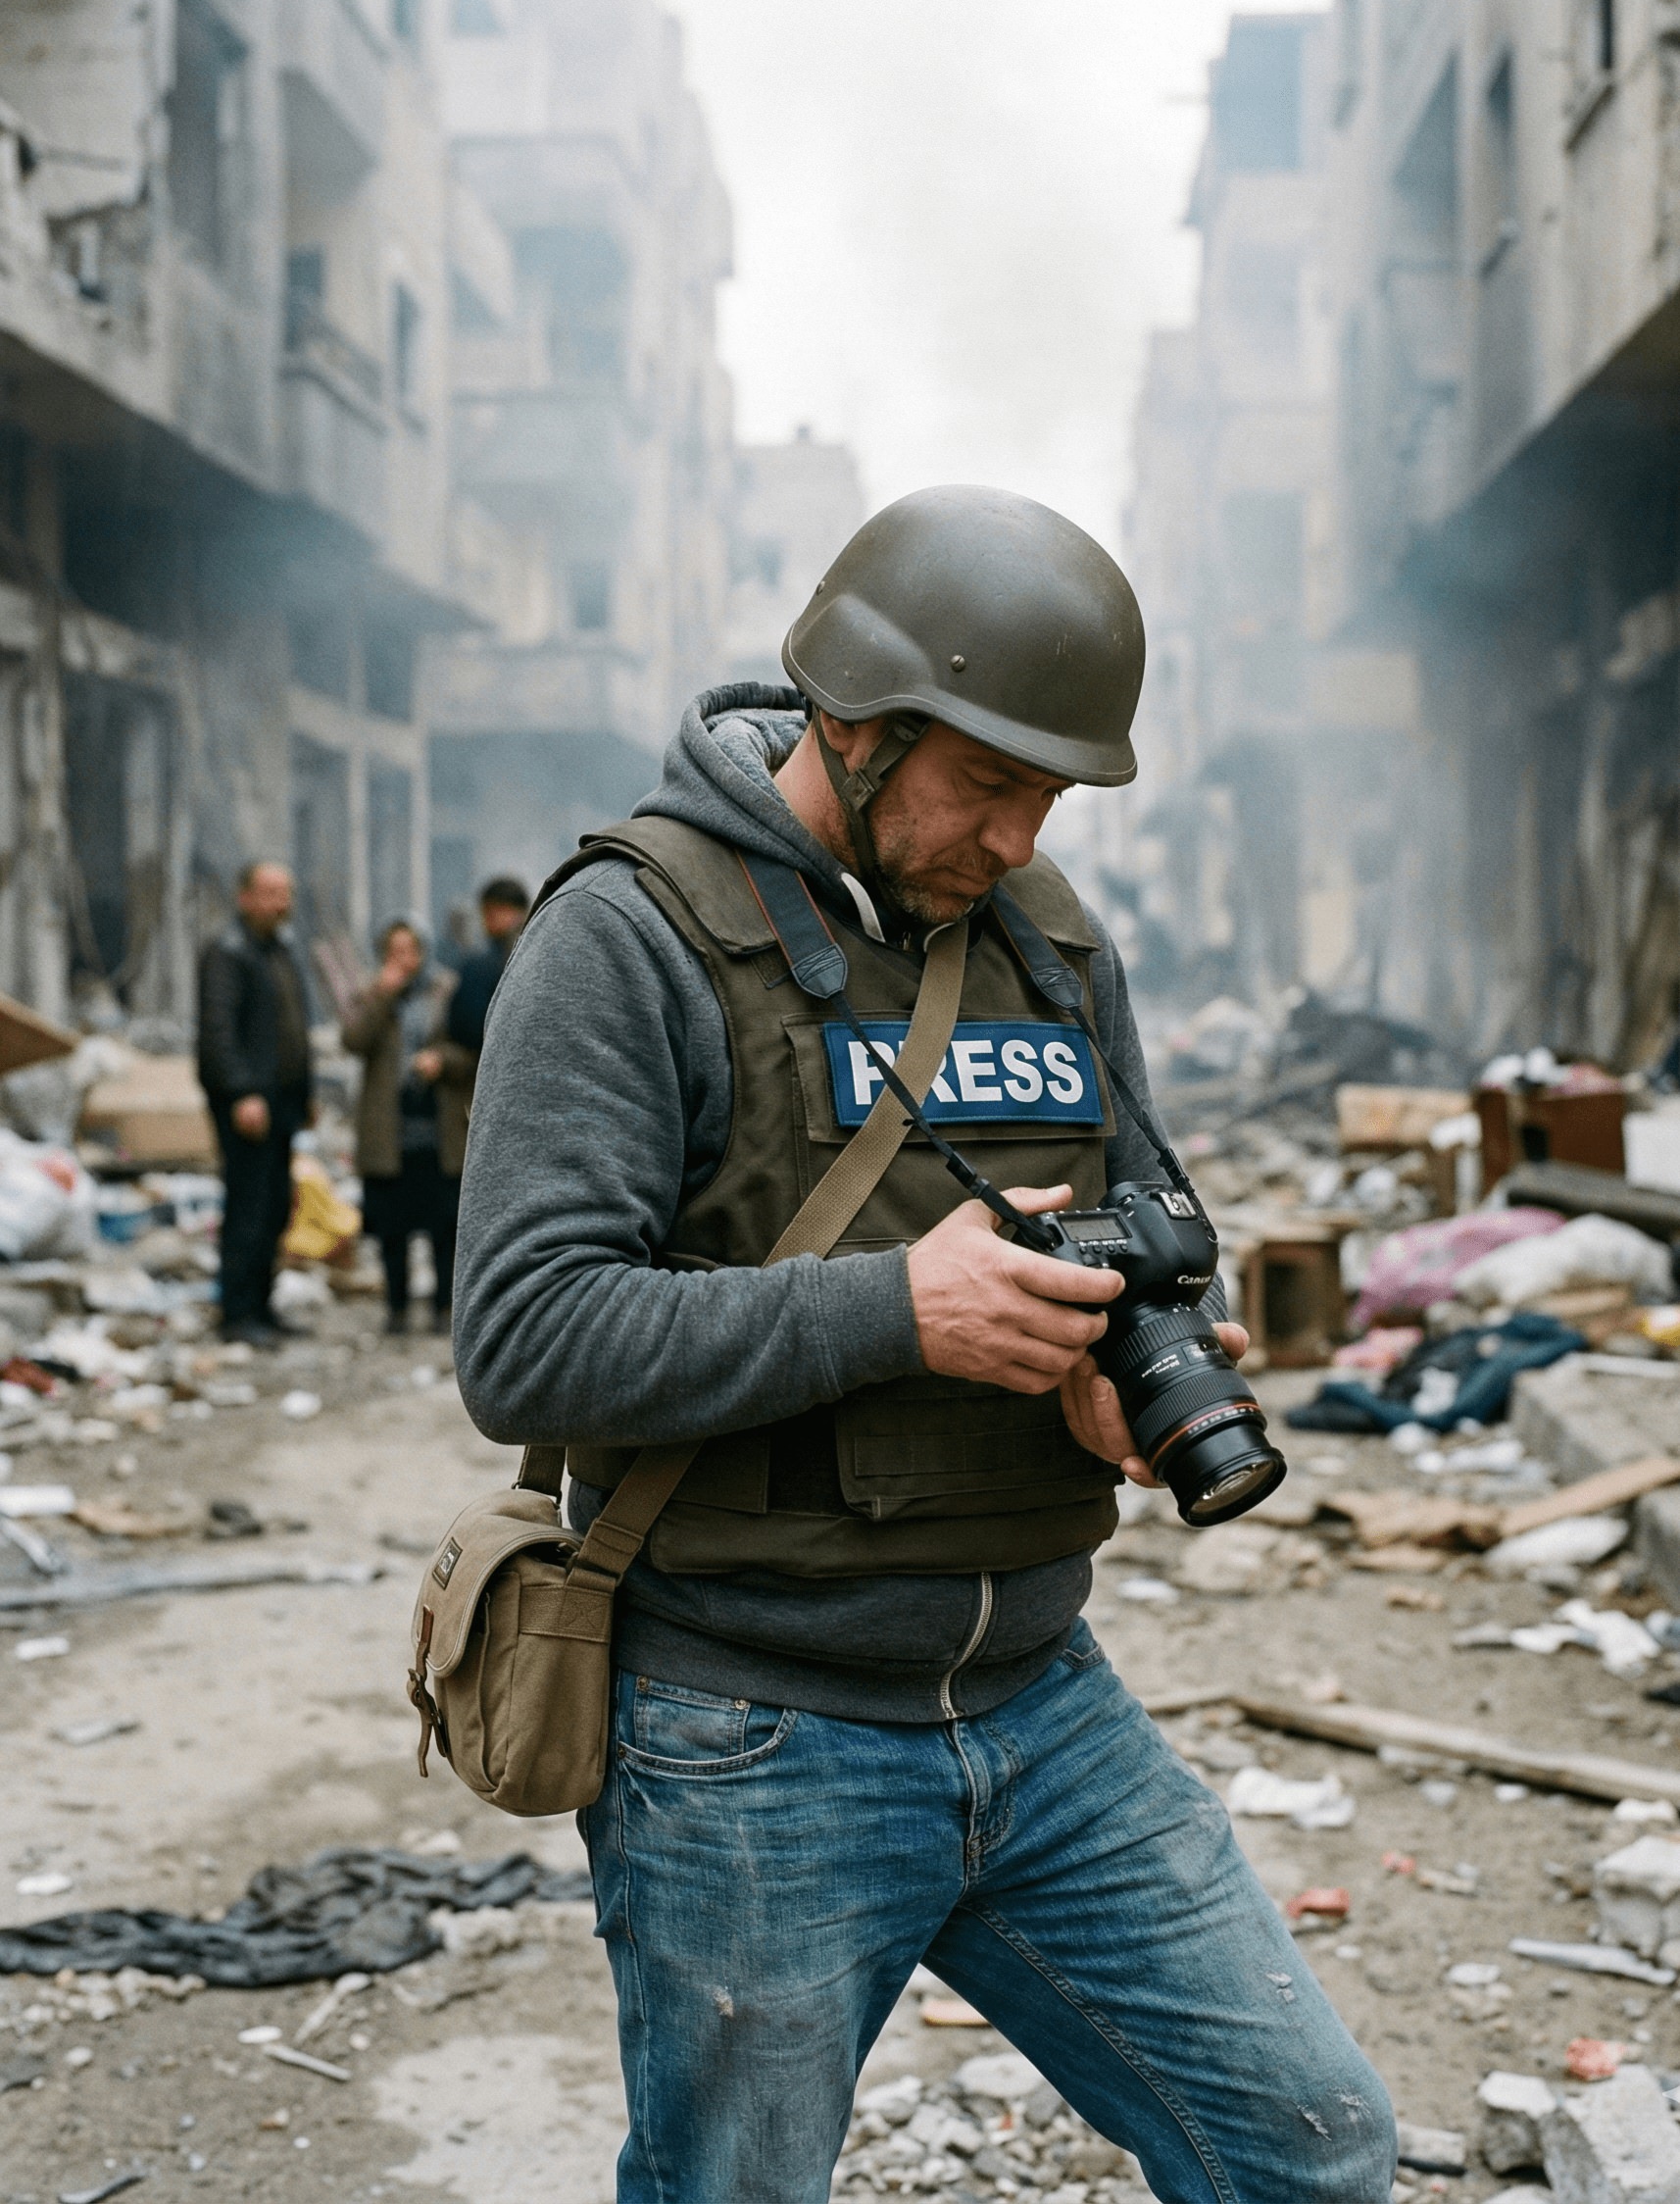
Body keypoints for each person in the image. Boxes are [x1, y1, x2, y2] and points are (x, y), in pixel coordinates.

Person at [455, 487, 1397, 2203]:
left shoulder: (1048, 940)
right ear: (860, 727)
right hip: (749, 1728)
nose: (1024, 832)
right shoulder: (624, 936)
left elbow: (1139, 1215)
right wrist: (902, 1308)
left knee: (1309, 2145)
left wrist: (1120, 1370)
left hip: (1042, 1706)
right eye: (991, 783)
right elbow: (523, 1336)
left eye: (1053, 792)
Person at [197, 861, 314, 1348]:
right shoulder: (227, 952)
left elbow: (292, 1029)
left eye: (284, 892)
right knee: (247, 1205)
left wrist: (304, 1093)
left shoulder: (281, 950)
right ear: (244, 897)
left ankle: (262, 1307)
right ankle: (237, 1314)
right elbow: (219, 1033)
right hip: (247, 1104)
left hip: (282, 1101)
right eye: (268, 893)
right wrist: (242, 1091)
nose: (279, 902)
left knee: (273, 1208)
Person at [342, 918, 472, 1335]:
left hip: (439, 1131)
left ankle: (442, 1307)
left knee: (443, 1227)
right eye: (395, 951)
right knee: (391, 1228)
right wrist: (383, 994)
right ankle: (396, 1308)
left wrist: (442, 1060)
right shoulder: (373, 991)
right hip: (389, 1133)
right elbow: (353, 1040)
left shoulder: (447, 991)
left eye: (410, 950)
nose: (404, 959)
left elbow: (473, 1048)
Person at [444, 875, 529, 1063]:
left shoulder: (484, 964)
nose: (487, 919)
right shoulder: (531, 951)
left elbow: (465, 1026)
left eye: (493, 911)